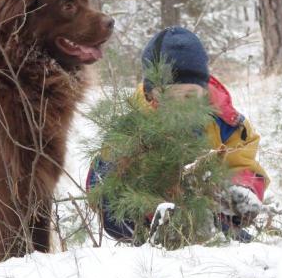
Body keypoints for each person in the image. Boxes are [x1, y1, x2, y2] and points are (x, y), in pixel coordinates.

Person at [86, 26, 269, 243]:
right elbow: (101, 185)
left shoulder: (225, 123)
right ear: (150, 93)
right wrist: (142, 211)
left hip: (209, 216)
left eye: (190, 97)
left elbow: (244, 164)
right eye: (170, 98)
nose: (180, 107)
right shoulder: (131, 128)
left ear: (203, 91)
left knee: (237, 243)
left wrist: (241, 191)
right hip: (149, 224)